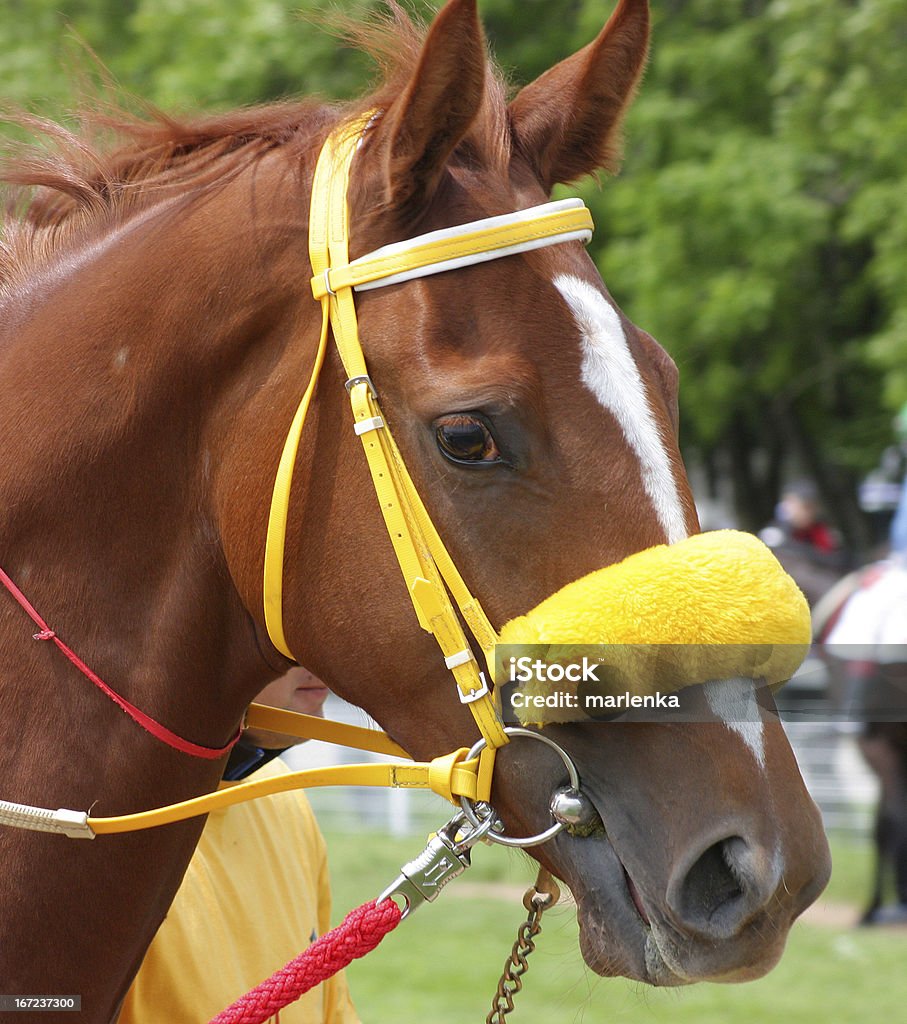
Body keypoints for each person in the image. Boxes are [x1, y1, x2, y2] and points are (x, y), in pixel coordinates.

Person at [119, 668, 360, 1023]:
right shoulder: (93, 828)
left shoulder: (284, 793)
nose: (319, 659)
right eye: (277, 630)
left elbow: (332, 1009)